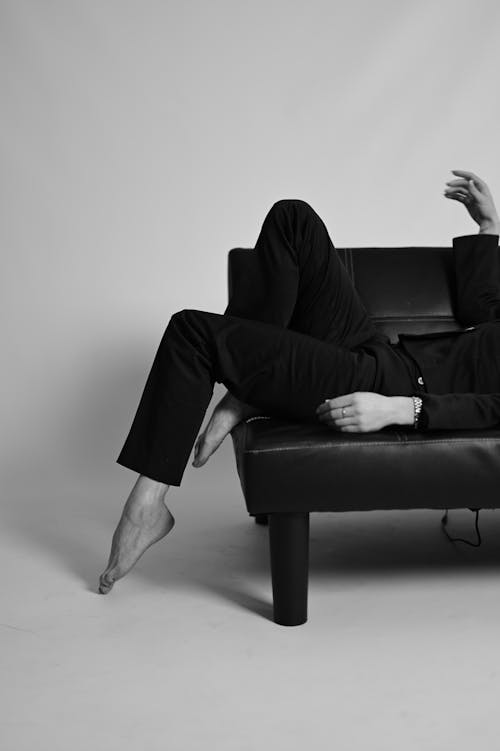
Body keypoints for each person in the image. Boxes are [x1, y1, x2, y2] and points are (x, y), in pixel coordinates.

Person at [98, 169, 500, 595]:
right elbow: (485, 310)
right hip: (381, 352)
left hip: (388, 386)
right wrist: (487, 226)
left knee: (191, 332)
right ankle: (249, 389)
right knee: (293, 218)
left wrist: (402, 409)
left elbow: (492, 409)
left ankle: (148, 503)